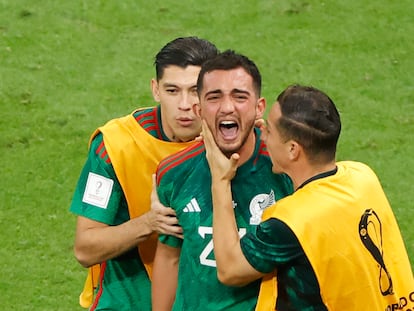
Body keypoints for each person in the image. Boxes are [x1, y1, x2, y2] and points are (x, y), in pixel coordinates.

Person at [202, 84, 414, 310]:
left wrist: (220, 180)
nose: (261, 134)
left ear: (293, 149)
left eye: (270, 130)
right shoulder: (362, 175)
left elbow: (230, 269)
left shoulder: (290, 222)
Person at [69, 36, 219, 310]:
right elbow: (85, 248)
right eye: (172, 91)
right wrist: (149, 223)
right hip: (126, 302)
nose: (184, 105)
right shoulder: (115, 146)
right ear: (156, 90)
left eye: (195, 91)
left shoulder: (238, 144)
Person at [151, 50, 293, 310]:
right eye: (214, 97)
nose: (227, 107)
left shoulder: (286, 173)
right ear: (199, 108)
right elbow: (170, 256)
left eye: (240, 97)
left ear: (258, 107)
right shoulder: (174, 172)